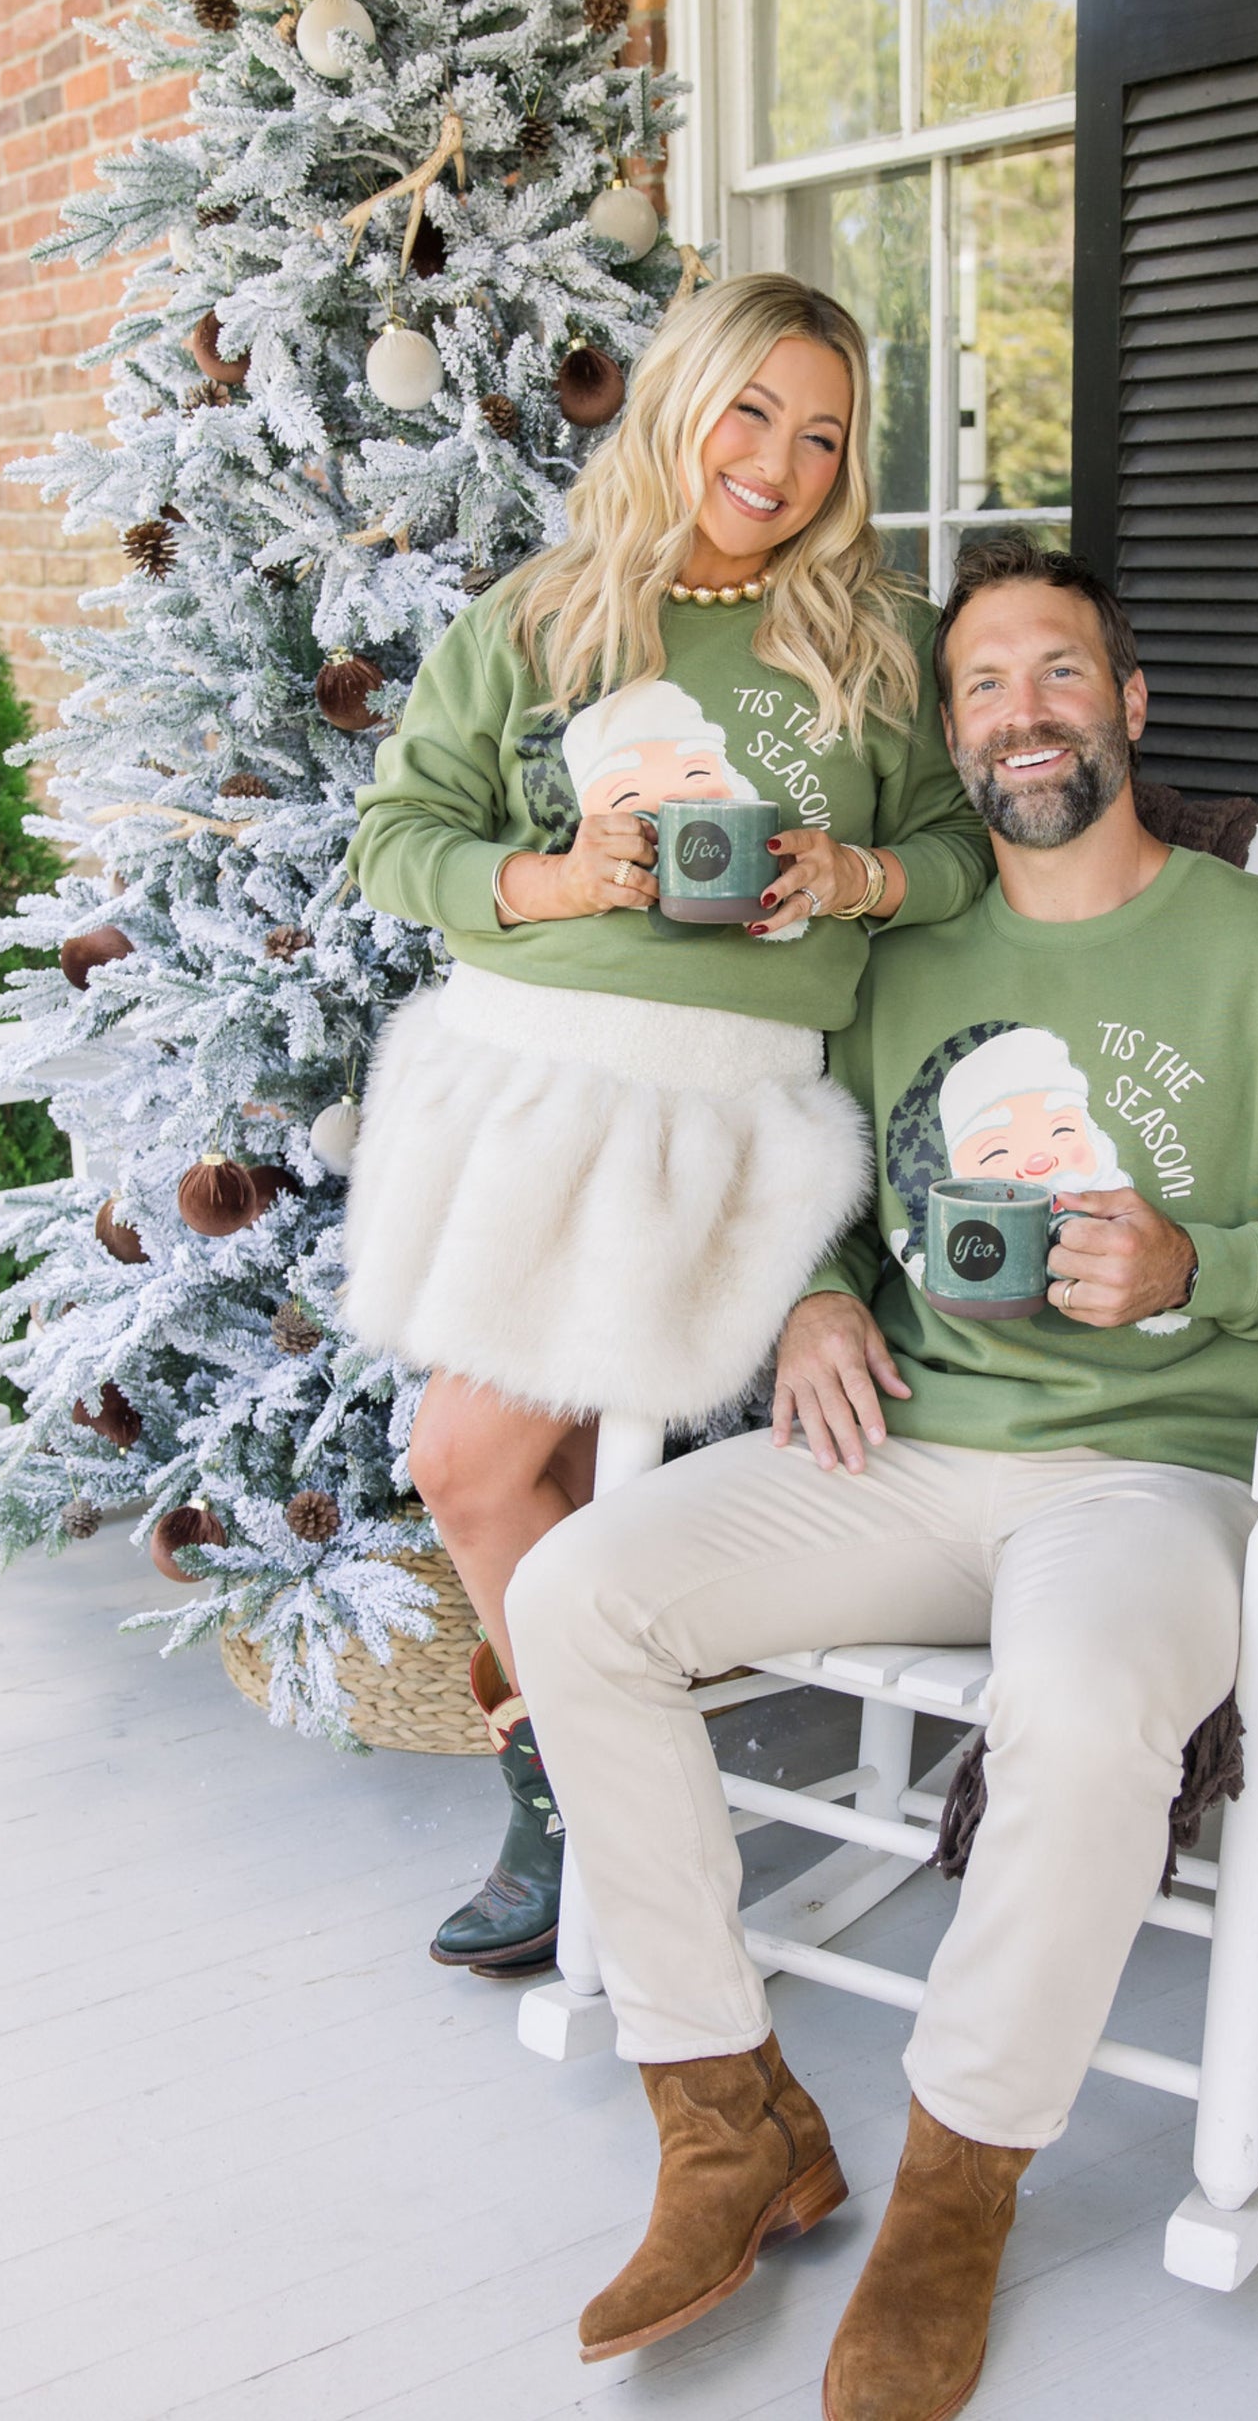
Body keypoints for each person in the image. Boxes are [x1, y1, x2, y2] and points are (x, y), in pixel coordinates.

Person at [506, 530, 1258, 2421]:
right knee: (574, 1593)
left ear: (1126, 705)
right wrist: (808, 1301)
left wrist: (1209, 1269)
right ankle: (727, 2119)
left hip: (1160, 1481)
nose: (1017, 715)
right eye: (978, 688)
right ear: (951, 739)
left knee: (1086, 1694)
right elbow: (820, 1186)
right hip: (913, 1453)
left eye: (1052, 674)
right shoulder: (901, 953)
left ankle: (956, 2185)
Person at [342, 275, 993, 1976]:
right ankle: (583, 1790)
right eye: (751, 410)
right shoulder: (540, 618)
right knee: (500, 1463)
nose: (778, 461)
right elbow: (399, 840)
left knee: (468, 1461)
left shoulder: (874, 641)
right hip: (537, 1085)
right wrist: (549, 875)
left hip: (721, 1116)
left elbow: (963, 854)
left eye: (823, 433)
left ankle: (587, 1791)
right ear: (681, 404)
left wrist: (857, 873)